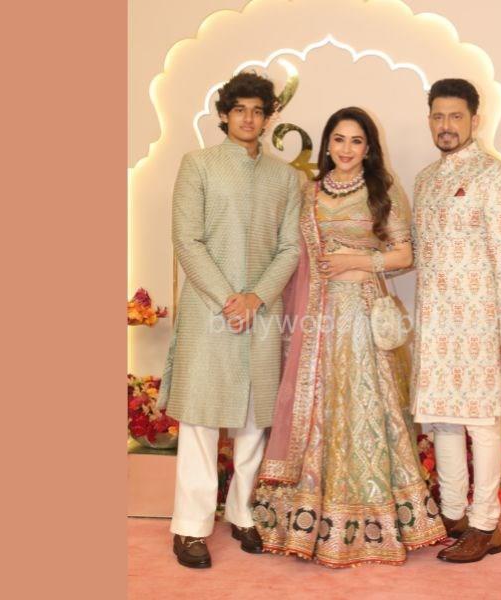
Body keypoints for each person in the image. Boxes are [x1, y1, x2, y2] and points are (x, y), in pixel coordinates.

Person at [252, 107, 446, 568]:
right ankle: (309, 517)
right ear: (327, 144)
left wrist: (356, 263)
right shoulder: (310, 192)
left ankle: (372, 517)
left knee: (363, 406)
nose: (346, 149)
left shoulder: (382, 190)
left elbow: (404, 254)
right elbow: (291, 253)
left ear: (368, 147)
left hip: (361, 313)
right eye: (338, 139)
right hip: (317, 319)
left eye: (356, 141)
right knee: (318, 407)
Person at [157, 72, 302, 569]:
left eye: (258, 111)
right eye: (240, 110)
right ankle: (190, 528)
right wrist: (228, 299)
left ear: (268, 117)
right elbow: (187, 240)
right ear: (224, 114)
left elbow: (290, 248)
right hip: (209, 311)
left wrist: (256, 298)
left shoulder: (286, 178)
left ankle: (243, 514)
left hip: (261, 312)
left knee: (254, 420)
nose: (249, 119)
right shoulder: (197, 165)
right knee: (200, 419)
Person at [411, 78, 501, 563]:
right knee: (443, 422)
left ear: (475, 120)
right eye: (438, 116)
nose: (446, 125)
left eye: (455, 116)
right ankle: (454, 515)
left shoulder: (494, 176)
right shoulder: (424, 180)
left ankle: (485, 525)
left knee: (480, 423)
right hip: (435, 325)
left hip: (480, 323)